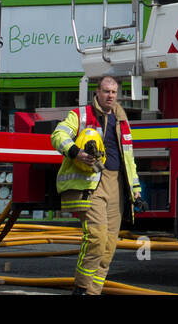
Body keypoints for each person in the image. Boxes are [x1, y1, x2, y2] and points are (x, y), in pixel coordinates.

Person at [51, 74, 145, 295]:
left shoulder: (122, 121)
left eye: (113, 92)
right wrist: (75, 152)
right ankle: (81, 289)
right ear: (97, 92)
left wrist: (136, 192)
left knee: (109, 244)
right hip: (92, 183)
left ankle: (93, 291)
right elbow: (58, 134)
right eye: (106, 91)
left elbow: (129, 160)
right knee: (96, 237)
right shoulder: (81, 115)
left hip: (116, 186)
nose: (110, 96)